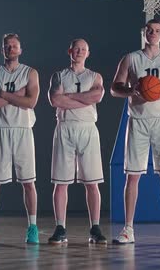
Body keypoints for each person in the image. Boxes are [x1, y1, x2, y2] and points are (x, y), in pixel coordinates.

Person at [110, 19, 160, 245]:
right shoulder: (131, 58)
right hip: (137, 120)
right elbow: (114, 88)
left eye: (157, 31)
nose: (153, 34)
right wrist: (130, 89)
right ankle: (128, 229)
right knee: (132, 176)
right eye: (149, 30)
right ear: (143, 33)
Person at [0, 33, 40, 245]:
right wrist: (16, 95)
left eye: (14, 46)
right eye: (7, 46)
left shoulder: (31, 73)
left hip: (23, 130)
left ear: (20, 50)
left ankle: (32, 227)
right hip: (0, 129)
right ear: (1, 50)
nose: (10, 49)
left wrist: (2, 94)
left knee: (29, 182)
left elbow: (30, 102)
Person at [47, 39, 107, 244]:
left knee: (92, 182)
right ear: (70, 51)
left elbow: (97, 96)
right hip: (65, 128)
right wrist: (84, 98)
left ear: (88, 53)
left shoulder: (95, 76)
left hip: (88, 128)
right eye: (76, 48)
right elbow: (55, 100)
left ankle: (95, 227)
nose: (80, 52)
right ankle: (60, 227)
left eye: (84, 49)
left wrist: (69, 97)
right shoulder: (59, 75)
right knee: (60, 182)